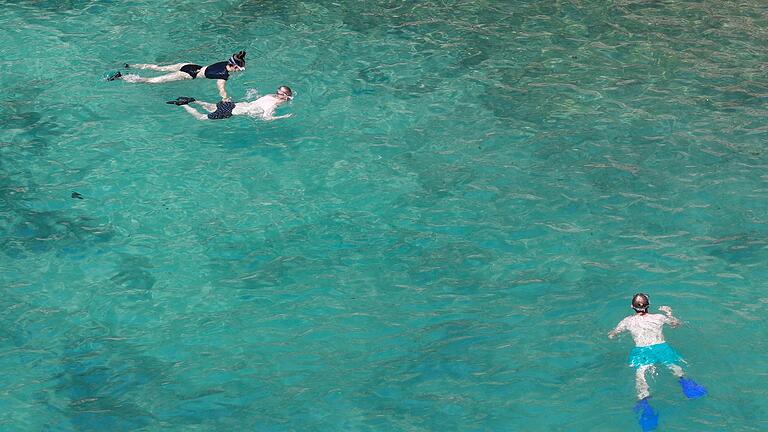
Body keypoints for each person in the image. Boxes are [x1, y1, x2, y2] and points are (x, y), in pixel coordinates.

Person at [608, 293, 706, 430]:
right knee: (674, 367)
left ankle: (644, 403)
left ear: (632, 307)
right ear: (649, 305)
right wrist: (669, 312)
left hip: (641, 350)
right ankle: (686, 384)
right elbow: (676, 324)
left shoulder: (627, 321)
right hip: (661, 347)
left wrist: (613, 333)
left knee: (640, 375)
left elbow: (612, 335)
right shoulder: (658, 317)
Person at [108, 51, 246, 101]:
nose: (239, 71)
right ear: (234, 66)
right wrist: (225, 98)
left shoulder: (224, 63)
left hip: (189, 65)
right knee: (150, 81)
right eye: (239, 69)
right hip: (188, 74)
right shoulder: (224, 75)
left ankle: (130, 65)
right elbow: (221, 87)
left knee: (157, 68)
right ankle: (120, 77)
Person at [166, 86, 294, 121]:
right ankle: (184, 105)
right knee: (202, 118)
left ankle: (194, 101)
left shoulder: (268, 96)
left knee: (211, 106)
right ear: (285, 98)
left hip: (235, 104)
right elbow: (266, 118)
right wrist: (282, 117)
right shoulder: (272, 105)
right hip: (231, 112)